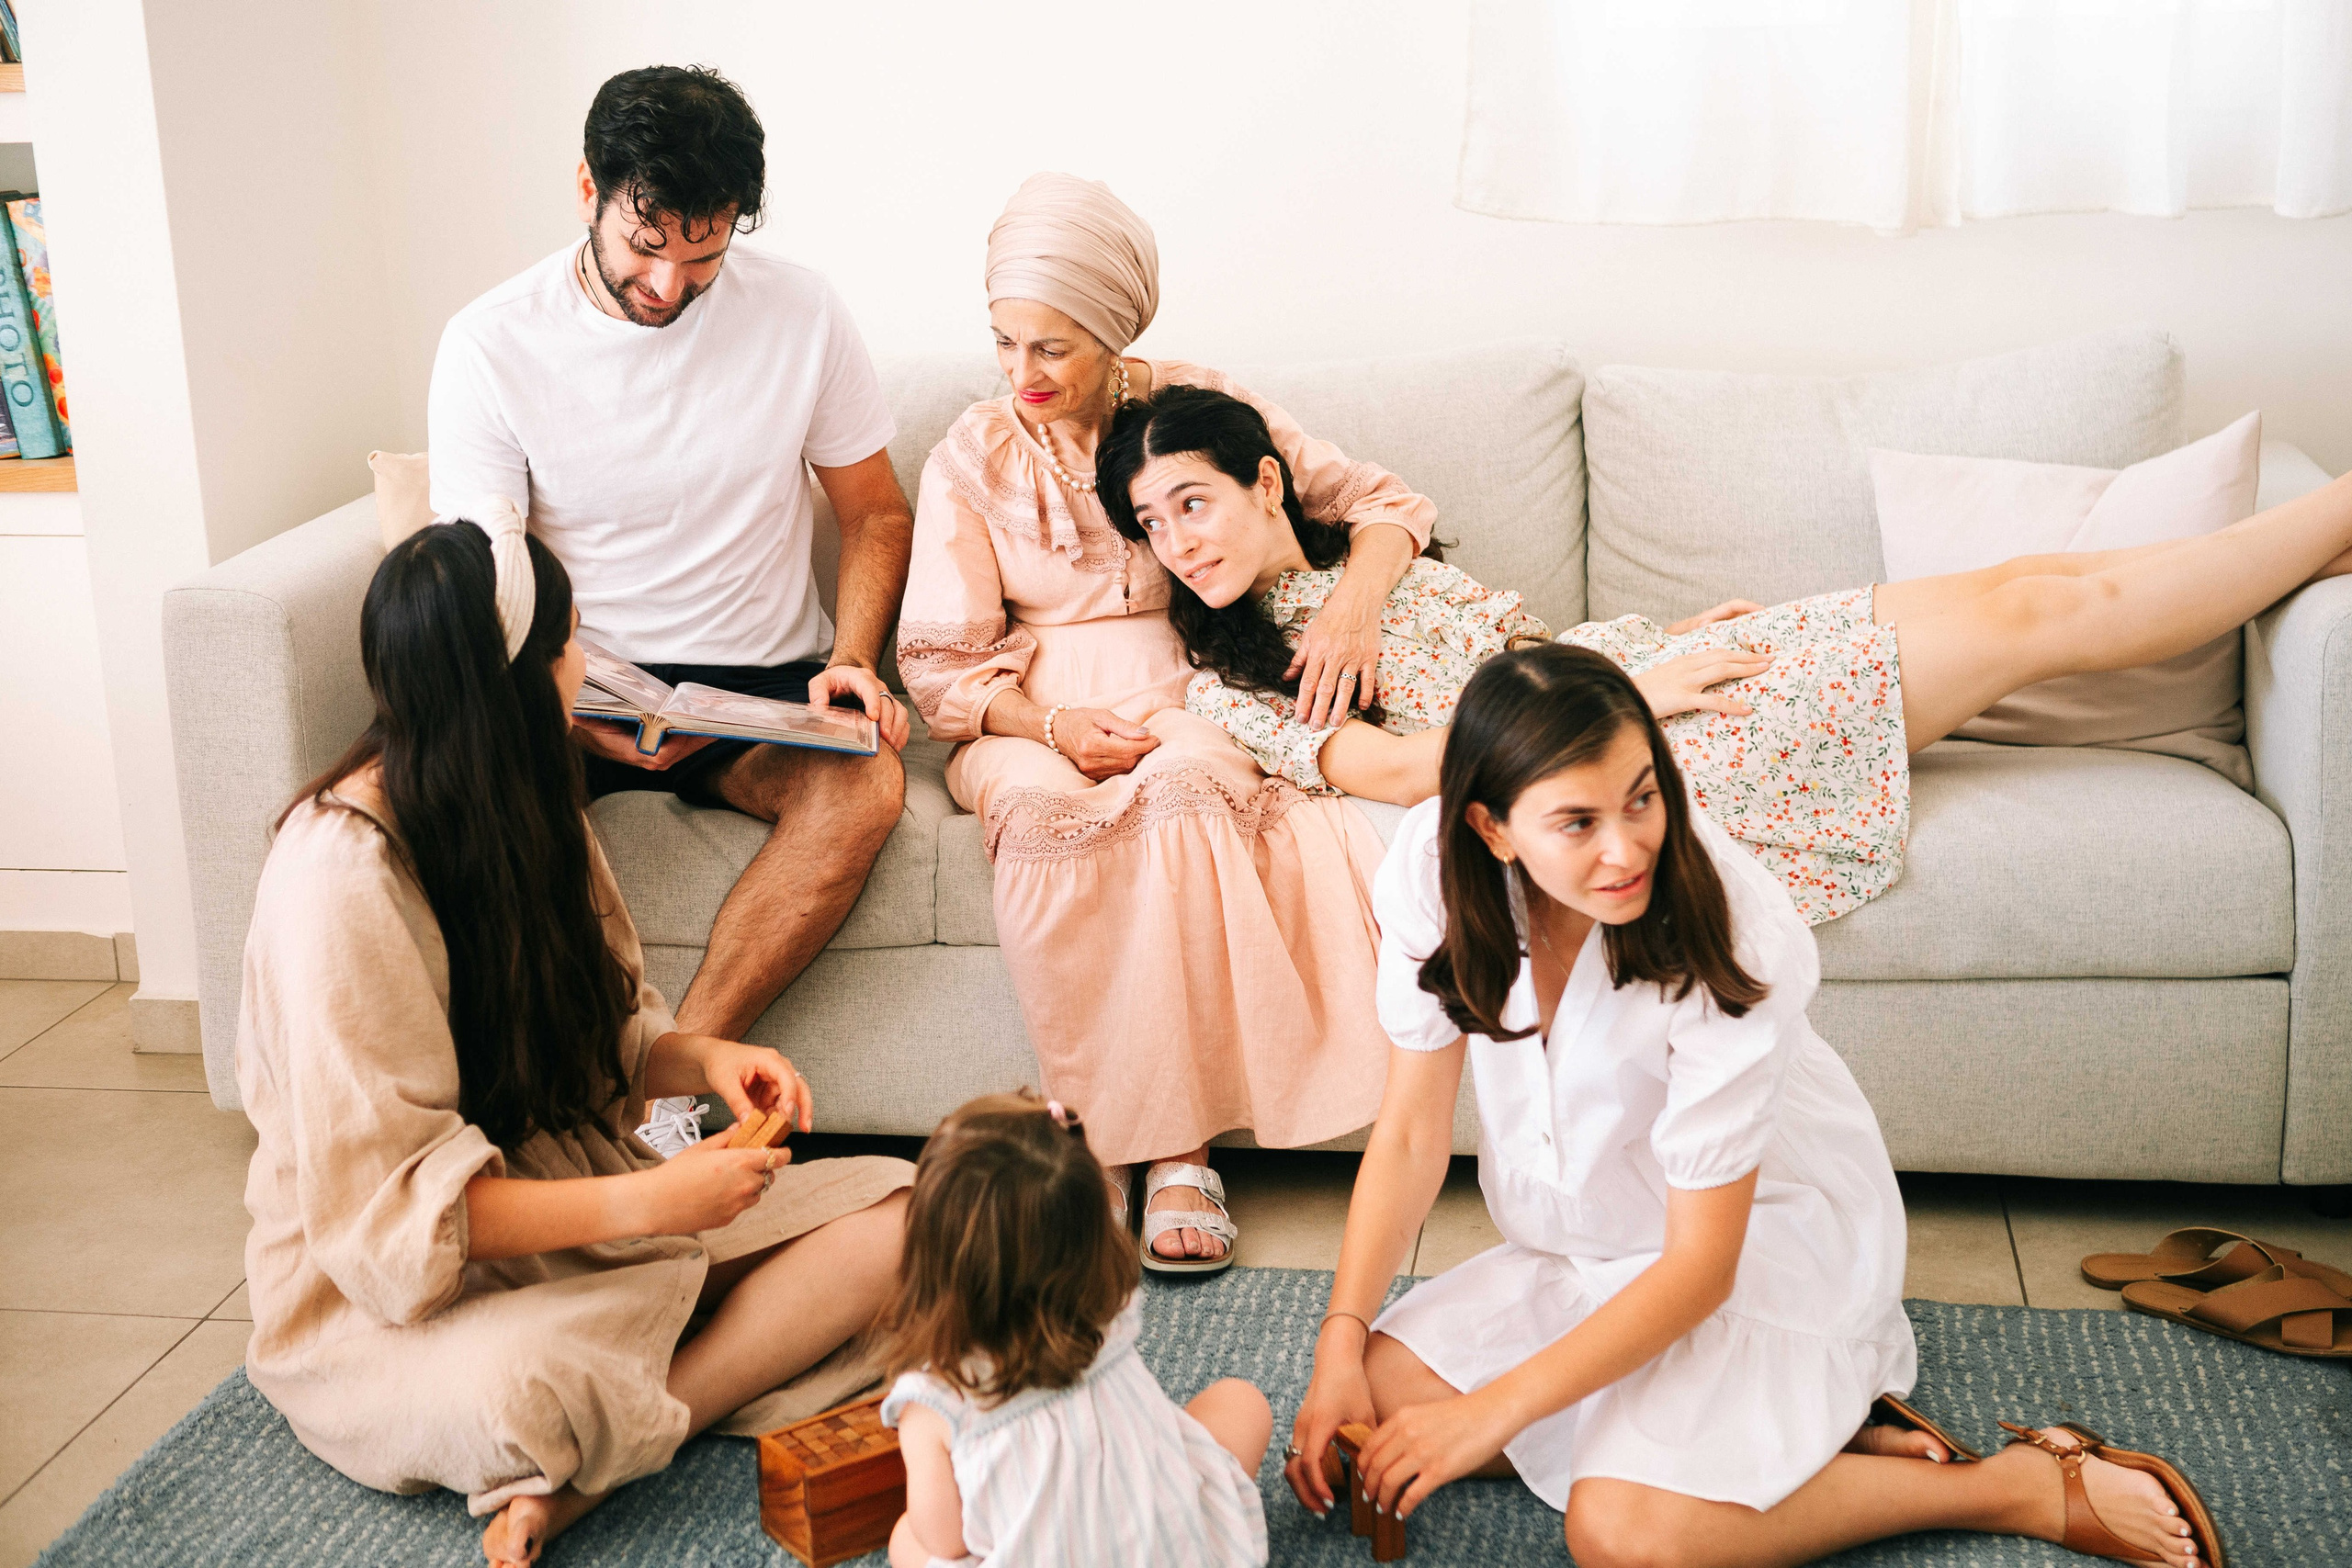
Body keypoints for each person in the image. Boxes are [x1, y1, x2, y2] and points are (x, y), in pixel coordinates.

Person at [1281, 644, 2222, 1568]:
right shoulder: (1429, 869)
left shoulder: (1729, 925)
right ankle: (1794, 1450)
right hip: (1592, 1243)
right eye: (1576, 822)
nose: (1625, 848)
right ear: (1490, 829)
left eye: (1642, 797)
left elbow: (1699, 1268)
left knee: (1622, 1536)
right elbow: (1408, 1134)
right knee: (1372, 1399)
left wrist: (1493, 1407)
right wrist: (1339, 1340)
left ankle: (2008, 1486)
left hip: (1757, 1245)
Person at [234, 517, 912, 1568]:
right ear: (512, 673)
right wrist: (655, 1200)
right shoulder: (338, 877)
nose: (585, 666)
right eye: (569, 644)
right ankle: (612, 1426)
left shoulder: (526, 789)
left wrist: (703, 1060)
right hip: (392, 1292)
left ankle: (614, 1444)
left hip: (577, 1204)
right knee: (529, 1389)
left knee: (911, 1214)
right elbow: (394, 1215)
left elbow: (611, 1027)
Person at [1100, 382, 2352, 924]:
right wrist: (1626, 690)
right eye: (1151, 524)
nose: (1176, 539)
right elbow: (1383, 770)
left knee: (2019, 585)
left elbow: (1488, 619)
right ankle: (2333, 517)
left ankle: (2309, 538)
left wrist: (1638, 649)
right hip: (1620, 735)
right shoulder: (1231, 680)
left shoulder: (1364, 559)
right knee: (2030, 626)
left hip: (1641, 670)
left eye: (1192, 502)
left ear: (1265, 482)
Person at [895, 175, 1438, 1269]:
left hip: (1194, 692)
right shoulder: (972, 453)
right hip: (1023, 715)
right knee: (1051, 823)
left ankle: (1180, 1149)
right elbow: (941, 661)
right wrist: (1047, 728)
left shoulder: (1190, 402)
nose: (1022, 374)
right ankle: (1101, 1145)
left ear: (1115, 331)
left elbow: (1381, 505)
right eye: (1004, 341)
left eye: (1052, 347)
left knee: (1186, 794)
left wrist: (1350, 611)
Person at [427, 65, 913, 1153]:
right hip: (573, 676)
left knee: (867, 783)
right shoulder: (491, 342)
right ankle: (500, 1109)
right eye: (647, 248)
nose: (669, 284)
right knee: (450, 789)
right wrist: (554, 706)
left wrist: (855, 659)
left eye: (704, 255)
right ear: (590, 188)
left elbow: (875, 513)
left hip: (756, 682)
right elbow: (484, 575)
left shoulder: (800, 311)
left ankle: (669, 1094)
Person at [876, 1092, 1272, 1567]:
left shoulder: (934, 1403)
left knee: (906, 1540)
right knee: (1241, 1402)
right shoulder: (1113, 1318)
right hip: (1171, 1554)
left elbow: (946, 1540)